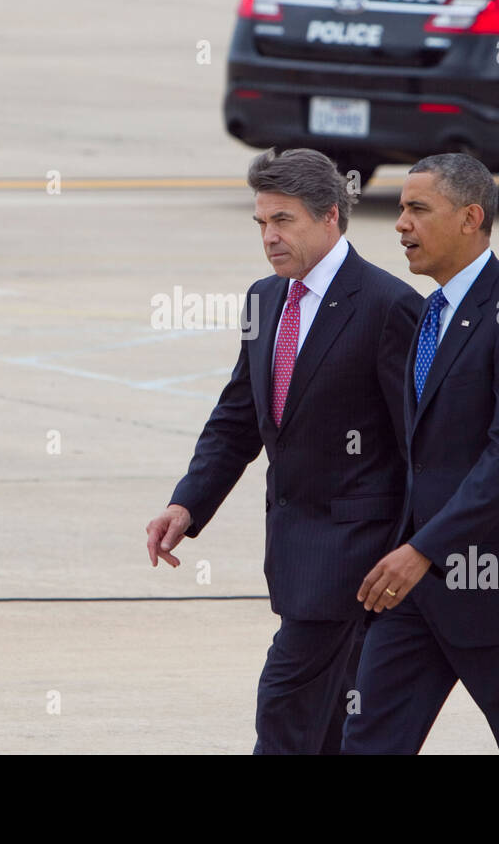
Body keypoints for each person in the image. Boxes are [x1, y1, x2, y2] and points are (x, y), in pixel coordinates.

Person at [145, 147, 423, 754]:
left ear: (329, 216)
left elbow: (420, 446)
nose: (269, 238)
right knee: (336, 729)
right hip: (296, 555)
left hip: (360, 559)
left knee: (283, 711)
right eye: (261, 224)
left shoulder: (388, 307)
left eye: (283, 221)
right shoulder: (265, 299)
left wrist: (413, 549)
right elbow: (238, 417)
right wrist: (187, 505)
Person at [342, 153, 499, 754]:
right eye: (401, 208)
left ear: (469, 218)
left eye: (418, 209)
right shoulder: (430, 311)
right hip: (417, 590)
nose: (400, 223)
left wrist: (422, 550)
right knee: (369, 740)